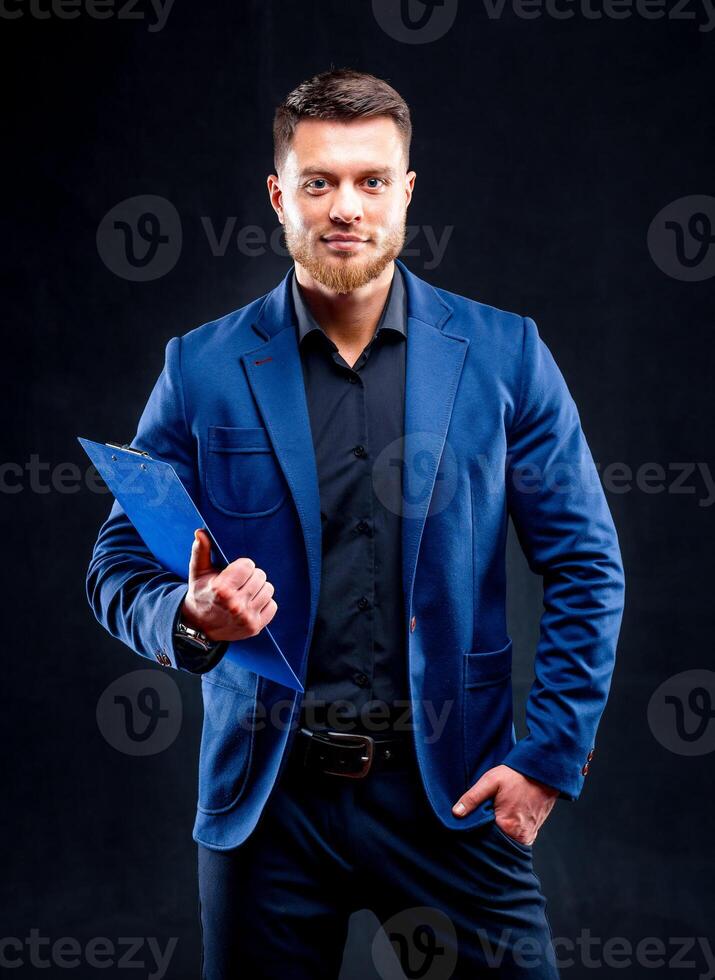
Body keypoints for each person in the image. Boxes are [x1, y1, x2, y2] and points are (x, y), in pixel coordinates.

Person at [86, 68, 625, 979]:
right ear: (278, 196)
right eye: (318, 182)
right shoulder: (202, 368)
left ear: (406, 191)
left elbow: (585, 566)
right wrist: (189, 619)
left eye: (371, 181)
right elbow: (114, 566)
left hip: (453, 794)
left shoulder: (504, 356)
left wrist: (548, 759)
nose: (345, 207)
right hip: (267, 808)